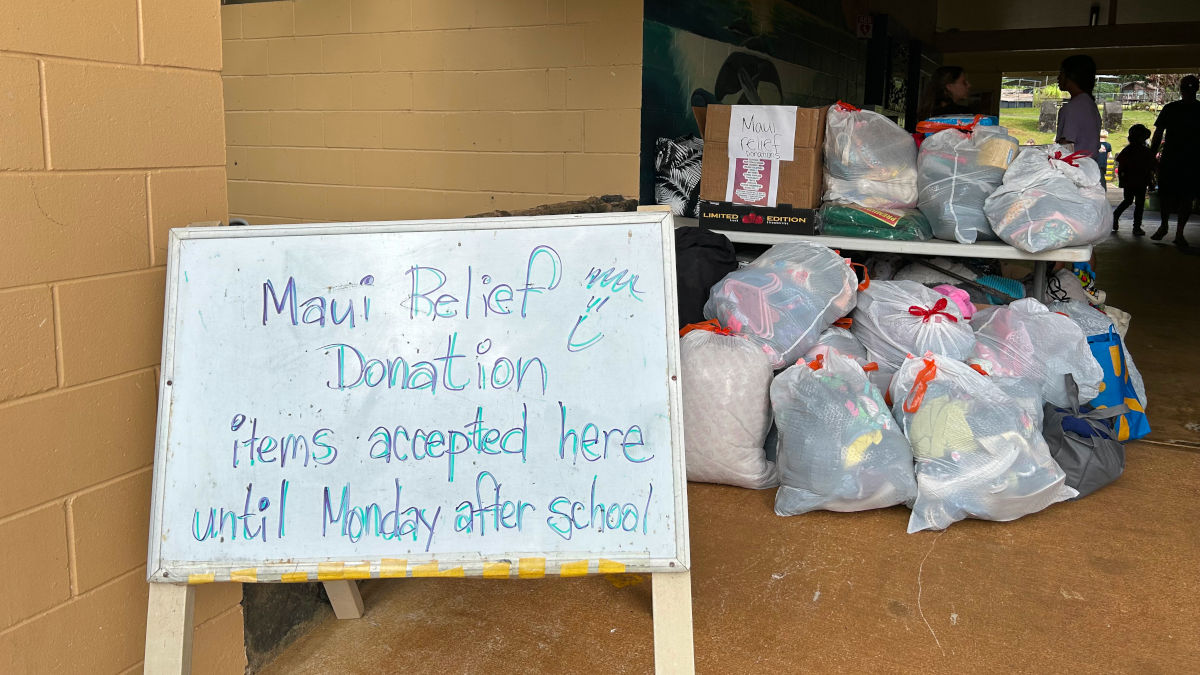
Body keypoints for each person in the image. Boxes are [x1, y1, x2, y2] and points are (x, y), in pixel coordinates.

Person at [1149, 75, 1200, 246]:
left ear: (1181, 89)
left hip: (1174, 158)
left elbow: (1158, 133)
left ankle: (1165, 227)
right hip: (1190, 160)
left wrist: (1152, 155)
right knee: (1185, 196)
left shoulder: (1171, 108)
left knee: (1168, 195)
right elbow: (1158, 133)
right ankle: (1178, 232)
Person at [1055, 55, 1101, 161]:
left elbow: (1065, 149)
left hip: (1076, 171)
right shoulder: (1090, 104)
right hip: (1090, 168)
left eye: (1061, 73)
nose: (1058, 78)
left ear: (1071, 76)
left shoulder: (1072, 108)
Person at [1112, 124, 1154, 236]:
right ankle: (1136, 227)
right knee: (1139, 204)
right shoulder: (1146, 151)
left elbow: (1121, 166)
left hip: (1129, 180)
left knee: (1128, 201)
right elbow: (1150, 168)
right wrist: (1151, 182)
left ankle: (1115, 216)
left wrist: (1122, 179)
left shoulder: (1127, 150)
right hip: (1141, 181)